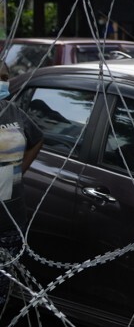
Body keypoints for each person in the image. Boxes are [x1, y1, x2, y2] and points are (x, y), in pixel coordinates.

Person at [0, 61, 43, 316]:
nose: (2, 82)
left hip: (10, 222)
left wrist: (18, 171)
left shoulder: (13, 112)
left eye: (5, 77)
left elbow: (37, 139)